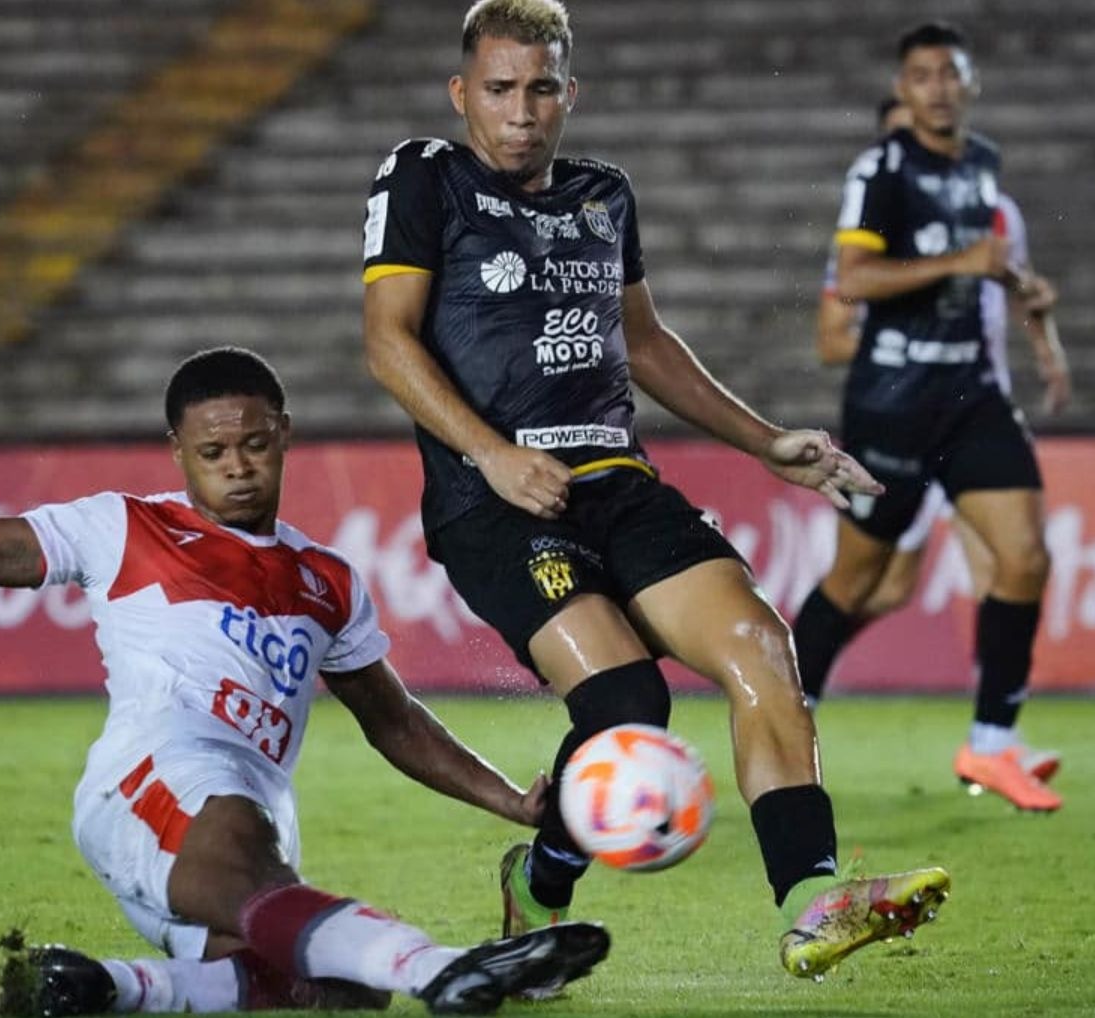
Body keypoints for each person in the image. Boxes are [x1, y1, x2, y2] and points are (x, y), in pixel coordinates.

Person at [0, 349, 611, 1017]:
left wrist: (511, 803)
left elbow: (394, 722)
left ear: (284, 435)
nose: (236, 466)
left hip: (251, 809)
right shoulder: (121, 528)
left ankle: (107, 987)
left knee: (326, 989)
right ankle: (446, 969)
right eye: (212, 451)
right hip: (154, 780)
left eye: (254, 444)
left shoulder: (330, 582)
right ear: (177, 452)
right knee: (266, 872)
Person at [360, 0, 950, 985]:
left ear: (569, 95)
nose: (520, 111)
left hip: (620, 482)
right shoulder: (426, 176)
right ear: (462, 94)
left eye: (541, 89)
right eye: (499, 89)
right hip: (494, 498)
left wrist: (767, 442)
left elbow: (642, 343)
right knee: (630, 700)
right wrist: (494, 454)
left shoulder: (605, 195)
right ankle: (541, 881)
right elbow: (388, 339)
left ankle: (814, 902)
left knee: (765, 647)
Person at [791, 23, 1068, 813]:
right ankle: (785, 711)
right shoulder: (880, 167)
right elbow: (851, 279)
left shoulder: (983, 164)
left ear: (969, 83)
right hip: (894, 403)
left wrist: (1027, 306)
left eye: (952, 72)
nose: (939, 86)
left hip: (972, 397)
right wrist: (961, 265)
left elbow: (984, 267)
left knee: (1025, 556)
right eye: (922, 74)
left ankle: (992, 746)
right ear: (904, 90)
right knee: (858, 583)